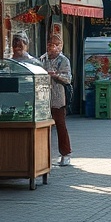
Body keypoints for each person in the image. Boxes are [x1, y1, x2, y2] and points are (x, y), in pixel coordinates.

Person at [39, 36, 73, 166]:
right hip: (43, 98)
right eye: (49, 44)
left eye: (54, 45)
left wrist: (56, 75)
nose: (51, 47)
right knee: (43, 127)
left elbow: (68, 78)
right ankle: (43, 154)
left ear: (60, 46)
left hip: (58, 98)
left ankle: (65, 153)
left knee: (60, 125)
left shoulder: (63, 61)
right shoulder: (42, 59)